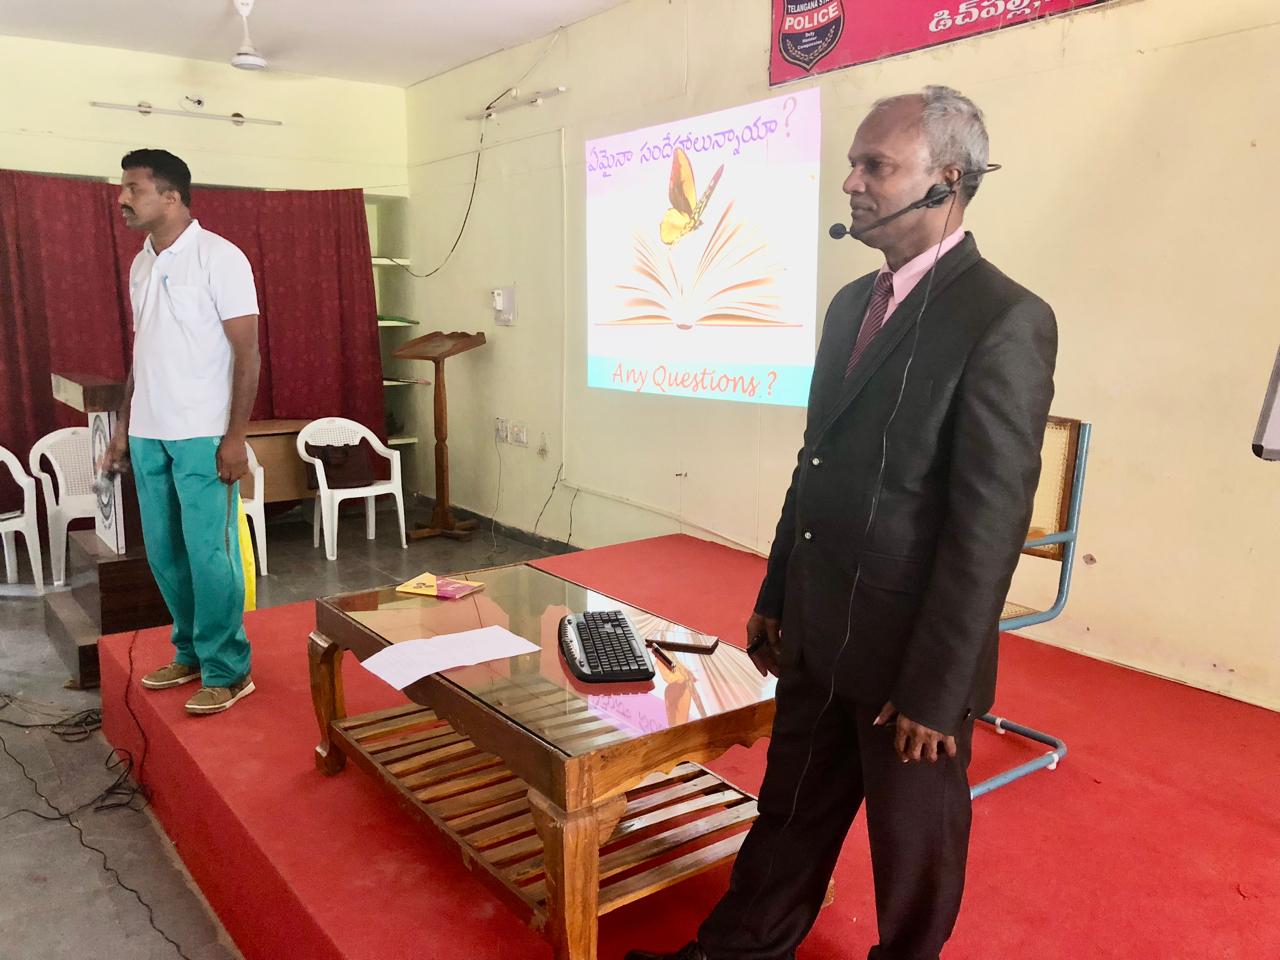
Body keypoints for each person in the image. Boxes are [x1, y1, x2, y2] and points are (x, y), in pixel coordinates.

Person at [626, 86, 1056, 960]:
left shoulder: (1005, 320)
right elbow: (814, 465)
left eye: (875, 166)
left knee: (913, 856)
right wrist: (776, 592)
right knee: (786, 817)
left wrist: (938, 690)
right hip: (820, 629)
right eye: (853, 164)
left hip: (910, 663)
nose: (852, 183)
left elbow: (987, 526)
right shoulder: (850, 306)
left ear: (946, 179)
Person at [100, 148, 261, 715]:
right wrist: (124, 428)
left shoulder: (222, 258)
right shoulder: (141, 261)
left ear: (170, 197)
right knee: (167, 554)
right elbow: (143, 353)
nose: (121, 198)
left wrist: (235, 436)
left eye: (133, 188)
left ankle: (228, 669)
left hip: (202, 433)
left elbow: (248, 354)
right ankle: (189, 652)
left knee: (209, 554)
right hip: (149, 432)